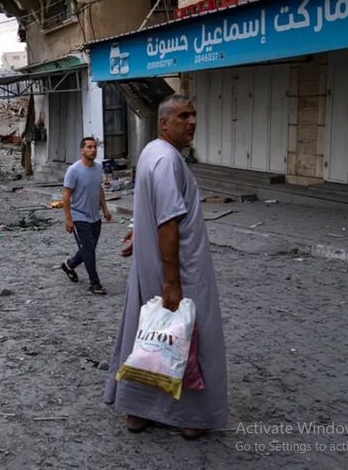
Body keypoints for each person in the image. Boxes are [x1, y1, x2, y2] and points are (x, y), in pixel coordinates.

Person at [103, 95, 227, 440]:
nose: (192, 121)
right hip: (181, 269)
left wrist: (138, 232)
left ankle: (139, 411)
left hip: (152, 264)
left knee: (149, 334)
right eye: (183, 116)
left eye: (194, 114)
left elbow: (151, 207)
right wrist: (173, 281)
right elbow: (168, 221)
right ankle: (191, 415)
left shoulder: (152, 153)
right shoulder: (167, 159)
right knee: (187, 335)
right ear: (164, 123)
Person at [60, 137, 112, 295]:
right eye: (89, 147)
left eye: (95, 147)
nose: (93, 150)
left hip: (94, 216)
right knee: (89, 250)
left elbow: (99, 189)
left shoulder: (98, 169)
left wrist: (105, 209)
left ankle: (69, 265)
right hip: (79, 216)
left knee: (88, 249)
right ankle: (95, 283)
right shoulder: (74, 170)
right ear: (82, 150)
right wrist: (68, 219)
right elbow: (66, 195)